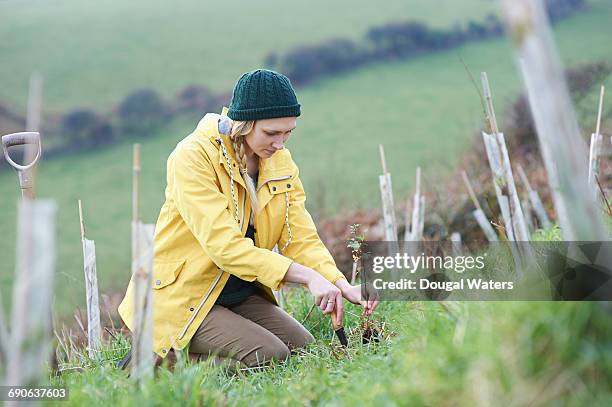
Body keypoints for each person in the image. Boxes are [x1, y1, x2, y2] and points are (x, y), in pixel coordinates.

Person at [118, 69, 378, 370]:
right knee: (269, 356)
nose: (280, 144)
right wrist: (308, 277)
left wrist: (338, 282)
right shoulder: (192, 157)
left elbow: (299, 238)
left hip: (237, 291)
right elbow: (224, 247)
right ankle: (151, 363)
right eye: (271, 133)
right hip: (183, 294)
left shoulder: (280, 161)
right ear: (244, 125)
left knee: (303, 348)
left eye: (288, 132)